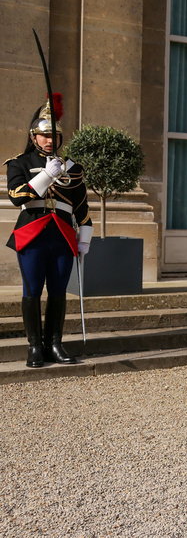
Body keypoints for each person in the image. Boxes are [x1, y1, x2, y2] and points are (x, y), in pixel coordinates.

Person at [5, 94, 93, 368]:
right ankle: (34, 347)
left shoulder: (72, 168)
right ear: (33, 137)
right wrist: (45, 175)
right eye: (43, 135)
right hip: (32, 233)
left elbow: (81, 206)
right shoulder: (18, 163)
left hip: (63, 235)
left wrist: (85, 238)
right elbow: (17, 196)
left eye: (53, 135)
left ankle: (55, 343)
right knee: (32, 290)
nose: (49, 140)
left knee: (57, 291)